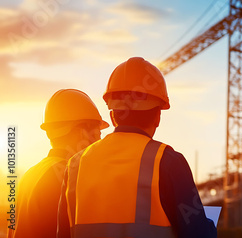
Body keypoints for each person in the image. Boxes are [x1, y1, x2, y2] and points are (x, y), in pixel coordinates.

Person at [57, 57, 217, 238]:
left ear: (112, 116)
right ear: (157, 117)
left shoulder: (74, 166)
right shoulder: (169, 162)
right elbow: (198, 234)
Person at [8, 89, 109, 238]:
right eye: (98, 133)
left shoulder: (30, 175)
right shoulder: (69, 177)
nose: (98, 141)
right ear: (82, 133)